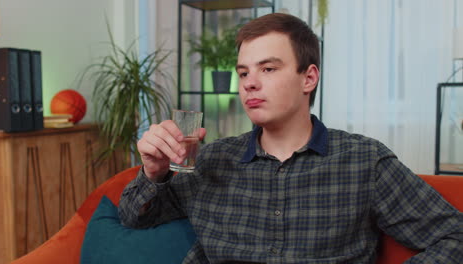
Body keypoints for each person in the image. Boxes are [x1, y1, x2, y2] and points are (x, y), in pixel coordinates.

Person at [118, 13, 462, 263]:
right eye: (243, 72)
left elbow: (454, 236)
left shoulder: (364, 162)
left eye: (268, 69)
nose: (249, 82)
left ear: (308, 78)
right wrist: (153, 172)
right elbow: (135, 216)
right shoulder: (208, 161)